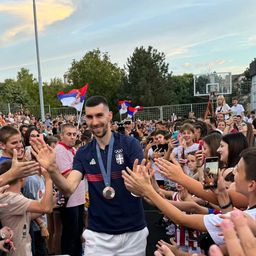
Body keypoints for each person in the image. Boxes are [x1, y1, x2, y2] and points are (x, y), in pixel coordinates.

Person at [30, 95, 148, 256]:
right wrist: (52, 169)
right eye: (90, 117)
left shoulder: (129, 144)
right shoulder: (83, 153)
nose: (95, 121)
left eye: (99, 115)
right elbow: (68, 188)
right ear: (85, 118)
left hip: (133, 232)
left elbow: (144, 186)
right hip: (98, 234)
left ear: (109, 116)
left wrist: (139, 183)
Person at [55, 124, 85, 256]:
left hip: (77, 198)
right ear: (61, 135)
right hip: (69, 199)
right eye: (69, 134)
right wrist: (82, 170)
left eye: (74, 134)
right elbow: (67, 174)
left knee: (77, 232)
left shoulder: (71, 150)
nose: (73, 137)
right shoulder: (60, 150)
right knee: (70, 234)